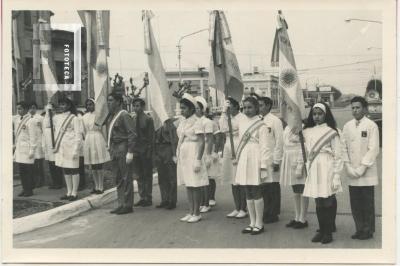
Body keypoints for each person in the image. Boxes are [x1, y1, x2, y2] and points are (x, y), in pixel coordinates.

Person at [302, 102, 343, 244]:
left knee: (327, 199)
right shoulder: (307, 131)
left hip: (327, 166)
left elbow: (338, 155)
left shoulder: (332, 131)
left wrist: (337, 175)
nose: (317, 117)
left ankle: (328, 231)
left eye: (320, 114)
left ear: (326, 115)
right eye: (314, 114)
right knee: (318, 199)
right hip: (314, 166)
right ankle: (322, 229)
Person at [342, 96, 379, 240]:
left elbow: (374, 149)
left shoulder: (371, 125)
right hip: (352, 171)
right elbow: (343, 147)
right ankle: (359, 228)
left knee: (367, 203)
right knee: (355, 203)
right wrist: (348, 166)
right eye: (353, 108)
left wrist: (362, 168)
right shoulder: (347, 126)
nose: (355, 110)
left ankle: (368, 230)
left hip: (366, 171)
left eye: (358, 107)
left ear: (364, 109)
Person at [234, 96, 273, 235]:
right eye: (244, 107)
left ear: (257, 108)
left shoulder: (262, 125)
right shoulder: (242, 122)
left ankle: (259, 223)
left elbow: (265, 147)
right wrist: (224, 112)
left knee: (256, 190)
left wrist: (263, 166)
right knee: (247, 190)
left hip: (256, 158)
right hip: (245, 157)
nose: (247, 110)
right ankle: (251, 222)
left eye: (250, 107)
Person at [176, 93, 209, 223]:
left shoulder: (197, 121)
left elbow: (202, 141)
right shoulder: (183, 122)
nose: (181, 110)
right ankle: (191, 211)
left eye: (184, 108)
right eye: (181, 108)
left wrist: (198, 160)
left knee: (195, 184)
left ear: (191, 109)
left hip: (194, 152)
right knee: (189, 184)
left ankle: (197, 213)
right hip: (185, 153)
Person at [107, 92, 138, 215]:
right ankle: (121, 203)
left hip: (123, 147)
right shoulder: (112, 116)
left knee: (126, 177)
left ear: (118, 102)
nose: (109, 103)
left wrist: (130, 151)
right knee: (118, 177)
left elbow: (132, 134)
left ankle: (128, 204)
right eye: (108, 100)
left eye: (111, 100)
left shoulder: (124, 115)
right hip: (115, 148)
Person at [219, 97, 247, 218]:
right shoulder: (226, 118)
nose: (228, 110)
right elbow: (223, 129)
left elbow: (242, 132)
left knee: (240, 179)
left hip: (239, 146)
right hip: (228, 147)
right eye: (227, 108)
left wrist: (232, 130)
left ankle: (243, 208)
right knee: (232, 178)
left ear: (236, 106)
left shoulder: (242, 118)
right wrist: (224, 114)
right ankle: (236, 207)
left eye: (230, 107)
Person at [257, 96, 284, 224]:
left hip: (272, 158)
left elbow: (279, 141)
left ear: (268, 106)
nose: (259, 107)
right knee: (263, 187)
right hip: (261, 159)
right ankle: (265, 211)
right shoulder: (257, 120)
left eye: (261, 105)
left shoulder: (275, 121)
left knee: (273, 187)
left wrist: (277, 160)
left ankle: (273, 213)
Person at [52, 97, 83, 201]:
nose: (62, 106)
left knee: (74, 169)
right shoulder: (57, 117)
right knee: (66, 170)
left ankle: (74, 192)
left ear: (69, 105)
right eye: (60, 104)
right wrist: (48, 112)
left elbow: (78, 135)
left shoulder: (74, 118)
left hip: (71, 147)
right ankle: (69, 192)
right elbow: (49, 125)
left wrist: (76, 150)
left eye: (64, 104)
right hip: (62, 147)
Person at [280, 124, 309, 229]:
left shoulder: (302, 127)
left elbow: (304, 146)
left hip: (297, 160)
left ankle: (303, 218)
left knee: (302, 189)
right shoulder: (287, 127)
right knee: (295, 189)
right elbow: (285, 144)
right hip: (289, 158)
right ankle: (297, 216)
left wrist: (300, 165)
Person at [82, 98, 111, 194]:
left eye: (91, 104)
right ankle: (96, 185)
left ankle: (101, 186)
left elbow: (103, 129)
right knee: (93, 164)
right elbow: (84, 131)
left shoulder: (99, 116)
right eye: (87, 104)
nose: (89, 106)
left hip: (98, 138)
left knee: (99, 164)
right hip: (89, 138)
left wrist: (106, 142)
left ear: (95, 105)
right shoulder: (84, 117)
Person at [132, 97, 155, 207]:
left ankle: (148, 197)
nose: (136, 108)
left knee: (147, 174)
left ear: (143, 106)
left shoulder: (148, 119)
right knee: (139, 174)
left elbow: (151, 137)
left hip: (145, 150)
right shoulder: (133, 119)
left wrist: (150, 151)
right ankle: (142, 196)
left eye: (138, 106)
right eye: (134, 106)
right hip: (136, 150)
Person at [194, 96, 214, 213]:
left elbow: (210, 139)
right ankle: (201, 202)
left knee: (205, 178)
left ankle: (206, 203)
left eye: (197, 108)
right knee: (199, 178)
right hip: (197, 150)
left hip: (205, 149)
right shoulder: (194, 121)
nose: (196, 110)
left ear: (202, 109)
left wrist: (209, 155)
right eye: (194, 108)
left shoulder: (207, 122)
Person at [154, 118, 178, 209]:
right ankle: (164, 199)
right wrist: (155, 153)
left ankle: (172, 200)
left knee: (171, 176)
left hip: (168, 149)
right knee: (162, 176)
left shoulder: (169, 124)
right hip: (159, 149)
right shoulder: (156, 123)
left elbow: (173, 140)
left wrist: (174, 154)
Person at [13, 101, 36, 197]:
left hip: (27, 149)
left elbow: (33, 137)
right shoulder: (17, 120)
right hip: (19, 149)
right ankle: (24, 188)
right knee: (22, 171)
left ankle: (29, 190)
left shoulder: (31, 121)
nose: (18, 110)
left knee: (28, 171)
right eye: (18, 108)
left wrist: (32, 150)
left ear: (26, 109)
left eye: (20, 108)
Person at [42, 103, 64, 189]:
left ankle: (59, 182)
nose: (49, 112)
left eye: (50, 110)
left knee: (56, 163)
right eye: (47, 110)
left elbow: (58, 131)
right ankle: (54, 182)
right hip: (47, 142)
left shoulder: (56, 118)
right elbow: (43, 132)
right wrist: (43, 144)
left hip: (54, 141)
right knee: (50, 164)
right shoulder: (45, 119)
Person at [29, 102, 46, 188]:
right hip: (30, 143)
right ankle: (34, 180)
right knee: (32, 164)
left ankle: (41, 180)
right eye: (30, 108)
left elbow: (43, 131)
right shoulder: (27, 118)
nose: (31, 110)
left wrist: (43, 143)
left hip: (38, 142)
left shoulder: (40, 118)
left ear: (36, 108)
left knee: (39, 163)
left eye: (33, 107)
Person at [76, 110, 86, 191]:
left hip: (80, 143)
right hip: (73, 143)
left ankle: (82, 184)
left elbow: (83, 132)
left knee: (80, 165)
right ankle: (79, 183)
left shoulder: (79, 117)